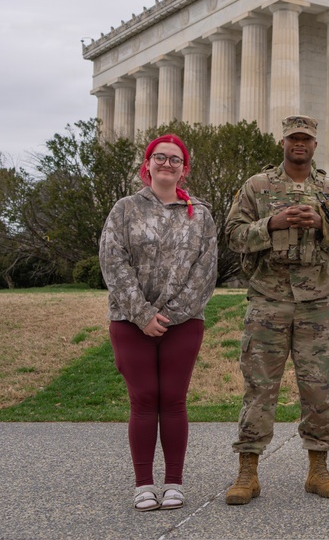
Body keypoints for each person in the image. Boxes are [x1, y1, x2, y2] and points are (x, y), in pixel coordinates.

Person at [224, 115, 329, 505]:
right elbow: (232, 235)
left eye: (306, 139)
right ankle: (247, 472)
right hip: (268, 299)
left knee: (318, 387)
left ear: (315, 145)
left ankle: (318, 468)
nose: (299, 144)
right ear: (282, 142)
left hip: (316, 302)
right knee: (259, 387)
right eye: (293, 138)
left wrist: (322, 224)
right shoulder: (258, 186)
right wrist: (272, 223)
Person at [100, 134, 217, 512]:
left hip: (183, 322)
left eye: (175, 160)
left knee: (174, 400)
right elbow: (112, 261)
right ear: (147, 164)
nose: (167, 164)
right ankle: (144, 483)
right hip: (130, 320)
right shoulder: (124, 209)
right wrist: (143, 314)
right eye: (160, 158)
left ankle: (174, 483)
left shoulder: (200, 213)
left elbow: (206, 269)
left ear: (185, 169)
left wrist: (172, 314)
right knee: (144, 399)